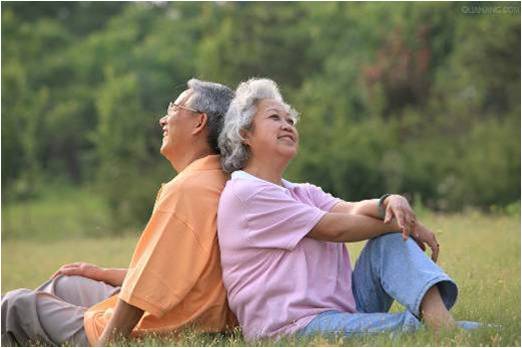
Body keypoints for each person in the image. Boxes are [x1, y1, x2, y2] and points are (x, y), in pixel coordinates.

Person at [216, 78, 479, 342]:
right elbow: (335, 228)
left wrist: (389, 202)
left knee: (389, 241)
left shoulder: (300, 191)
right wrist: (401, 224)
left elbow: (351, 210)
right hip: (290, 327)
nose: (287, 125)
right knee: (414, 330)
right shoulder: (246, 193)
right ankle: (451, 332)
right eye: (275, 118)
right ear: (244, 133)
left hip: (338, 311)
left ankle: (442, 326)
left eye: (290, 121)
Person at [2, 79, 237, 346]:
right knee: (64, 284)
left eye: (173, 108)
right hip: (191, 316)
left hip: (161, 330)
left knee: (14, 306)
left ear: (199, 122)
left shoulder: (188, 189)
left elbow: (147, 290)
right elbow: (176, 277)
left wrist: (107, 342)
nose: (163, 120)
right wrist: (103, 272)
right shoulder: (219, 178)